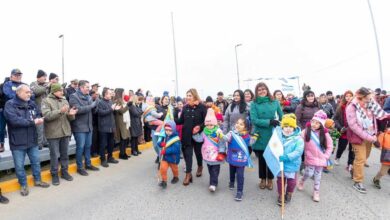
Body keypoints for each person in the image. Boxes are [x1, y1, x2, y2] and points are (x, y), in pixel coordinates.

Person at [4, 85, 50, 196]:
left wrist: (39, 118)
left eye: (30, 92)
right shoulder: (10, 104)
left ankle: (37, 180)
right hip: (18, 141)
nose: (30, 94)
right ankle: (23, 185)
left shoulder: (32, 103)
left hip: (32, 140)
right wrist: (33, 122)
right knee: (19, 166)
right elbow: (14, 121)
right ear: (18, 93)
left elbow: (38, 114)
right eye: (27, 92)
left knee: (36, 162)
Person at [346, 87, 388, 193]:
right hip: (357, 137)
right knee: (360, 158)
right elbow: (354, 127)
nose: (370, 99)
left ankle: (353, 170)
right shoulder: (352, 107)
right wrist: (372, 139)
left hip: (370, 134)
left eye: (371, 97)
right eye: (368, 98)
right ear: (361, 97)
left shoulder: (370, 104)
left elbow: (382, 114)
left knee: (365, 158)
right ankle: (358, 182)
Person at [41, 83, 77, 185]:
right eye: (60, 90)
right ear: (54, 91)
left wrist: (71, 115)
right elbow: (47, 116)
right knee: (54, 155)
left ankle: (64, 172)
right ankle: (54, 174)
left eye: (62, 90)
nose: (62, 92)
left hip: (65, 131)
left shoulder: (65, 100)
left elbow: (69, 118)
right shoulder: (46, 101)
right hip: (53, 133)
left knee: (65, 154)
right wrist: (60, 111)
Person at [251, 82, 283, 190]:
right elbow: (254, 120)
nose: (261, 91)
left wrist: (281, 124)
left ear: (267, 90)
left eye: (263, 89)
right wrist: (269, 122)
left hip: (273, 134)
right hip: (260, 134)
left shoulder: (275, 102)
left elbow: (281, 116)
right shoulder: (254, 103)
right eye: (259, 90)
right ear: (256, 92)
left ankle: (270, 179)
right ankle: (262, 179)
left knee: (271, 157)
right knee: (262, 159)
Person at [297, 110, 333, 202]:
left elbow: (330, 146)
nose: (314, 124)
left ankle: (316, 191)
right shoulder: (306, 131)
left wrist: (326, 156)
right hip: (310, 157)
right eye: (313, 121)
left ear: (321, 124)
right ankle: (302, 180)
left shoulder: (325, 134)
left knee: (318, 176)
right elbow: (299, 141)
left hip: (321, 158)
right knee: (309, 173)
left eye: (317, 123)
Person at [174, 88, 207, 186]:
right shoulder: (185, 107)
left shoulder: (202, 107)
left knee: (198, 153)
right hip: (186, 135)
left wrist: (200, 127)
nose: (188, 97)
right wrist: (172, 118)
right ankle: (188, 174)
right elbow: (181, 121)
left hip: (198, 135)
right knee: (188, 155)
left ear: (195, 96)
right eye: (187, 95)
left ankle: (200, 166)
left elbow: (206, 122)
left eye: (190, 95)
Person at [69, 80, 100, 176]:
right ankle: (80, 167)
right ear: (81, 87)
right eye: (87, 87)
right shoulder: (73, 97)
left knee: (88, 146)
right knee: (80, 147)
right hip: (79, 127)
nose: (89, 89)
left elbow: (93, 110)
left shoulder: (89, 97)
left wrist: (96, 104)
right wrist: (91, 106)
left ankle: (88, 164)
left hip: (89, 126)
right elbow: (78, 110)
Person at [220, 117, 252, 201]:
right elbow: (226, 138)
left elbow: (251, 142)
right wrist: (221, 135)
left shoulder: (247, 136)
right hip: (232, 156)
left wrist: (256, 137)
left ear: (245, 127)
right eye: (237, 123)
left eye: (241, 124)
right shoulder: (231, 133)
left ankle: (239, 191)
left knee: (240, 175)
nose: (238, 125)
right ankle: (231, 181)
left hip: (241, 159)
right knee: (232, 170)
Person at [275, 114, 304, 206]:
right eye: (286, 126)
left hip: (292, 164)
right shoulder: (278, 136)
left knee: (292, 182)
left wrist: (287, 157)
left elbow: (298, 151)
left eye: (291, 126)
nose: (288, 129)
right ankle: (281, 194)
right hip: (281, 164)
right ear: (282, 127)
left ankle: (289, 192)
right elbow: (273, 146)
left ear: (294, 127)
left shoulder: (298, 139)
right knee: (280, 181)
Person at [200, 108, 226, 192]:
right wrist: (194, 135)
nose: (209, 126)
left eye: (211, 125)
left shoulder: (218, 131)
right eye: (207, 125)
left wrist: (222, 151)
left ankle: (213, 184)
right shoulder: (204, 131)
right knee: (210, 168)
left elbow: (222, 142)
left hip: (216, 154)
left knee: (215, 169)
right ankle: (213, 181)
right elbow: (200, 139)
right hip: (207, 154)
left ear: (214, 124)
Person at [96, 87, 120, 168]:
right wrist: (111, 109)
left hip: (111, 126)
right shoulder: (100, 102)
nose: (111, 95)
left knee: (111, 143)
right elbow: (100, 113)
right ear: (105, 94)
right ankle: (103, 159)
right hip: (103, 127)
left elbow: (111, 112)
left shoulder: (110, 102)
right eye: (110, 93)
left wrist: (115, 109)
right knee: (103, 144)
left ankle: (110, 157)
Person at [333, 90, 355, 174]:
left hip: (353, 131)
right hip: (343, 131)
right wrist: (340, 127)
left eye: (350, 96)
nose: (348, 97)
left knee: (352, 149)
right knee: (342, 146)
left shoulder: (356, 106)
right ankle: (337, 157)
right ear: (344, 97)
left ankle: (349, 164)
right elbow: (334, 118)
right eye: (347, 96)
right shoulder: (340, 107)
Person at [157, 121, 181, 189]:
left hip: (173, 157)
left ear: (173, 129)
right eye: (166, 130)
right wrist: (161, 144)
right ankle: (164, 181)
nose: (168, 132)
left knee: (174, 169)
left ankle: (176, 177)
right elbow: (159, 143)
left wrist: (166, 151)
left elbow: (175, 149)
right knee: (163, 168)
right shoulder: (164, 136)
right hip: (164, 157)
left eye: (170, 130)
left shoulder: (176, 138)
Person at [30, 70, 50, 150]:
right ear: (38, 77)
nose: (45, 78)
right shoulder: (33, 84)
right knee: (39, 128)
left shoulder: (46, 85)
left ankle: (45, 142)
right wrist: (46, 86)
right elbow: (36, 91)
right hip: (37, 109)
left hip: (45, 109)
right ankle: (38, 144)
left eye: (46, 77)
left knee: (46, 127)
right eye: (43, 76)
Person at [113, 88, 131, 160]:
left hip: (124, 122)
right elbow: (121, 111)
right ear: (120, 93)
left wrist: (127, 105)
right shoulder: (117, 101)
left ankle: (123, 153)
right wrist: (128, 106)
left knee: (125, 138)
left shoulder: (122, 101)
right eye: (123, 92)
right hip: (121, 122)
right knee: (123, 138)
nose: (124, 93)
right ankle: (122, 154)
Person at [0, 77, 10, 152]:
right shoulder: (1, 86)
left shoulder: (12, 87)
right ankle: (1, 145)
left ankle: (2, 145)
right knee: (1, 128)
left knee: (2, 129)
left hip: (10, 110)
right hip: (3, 110)